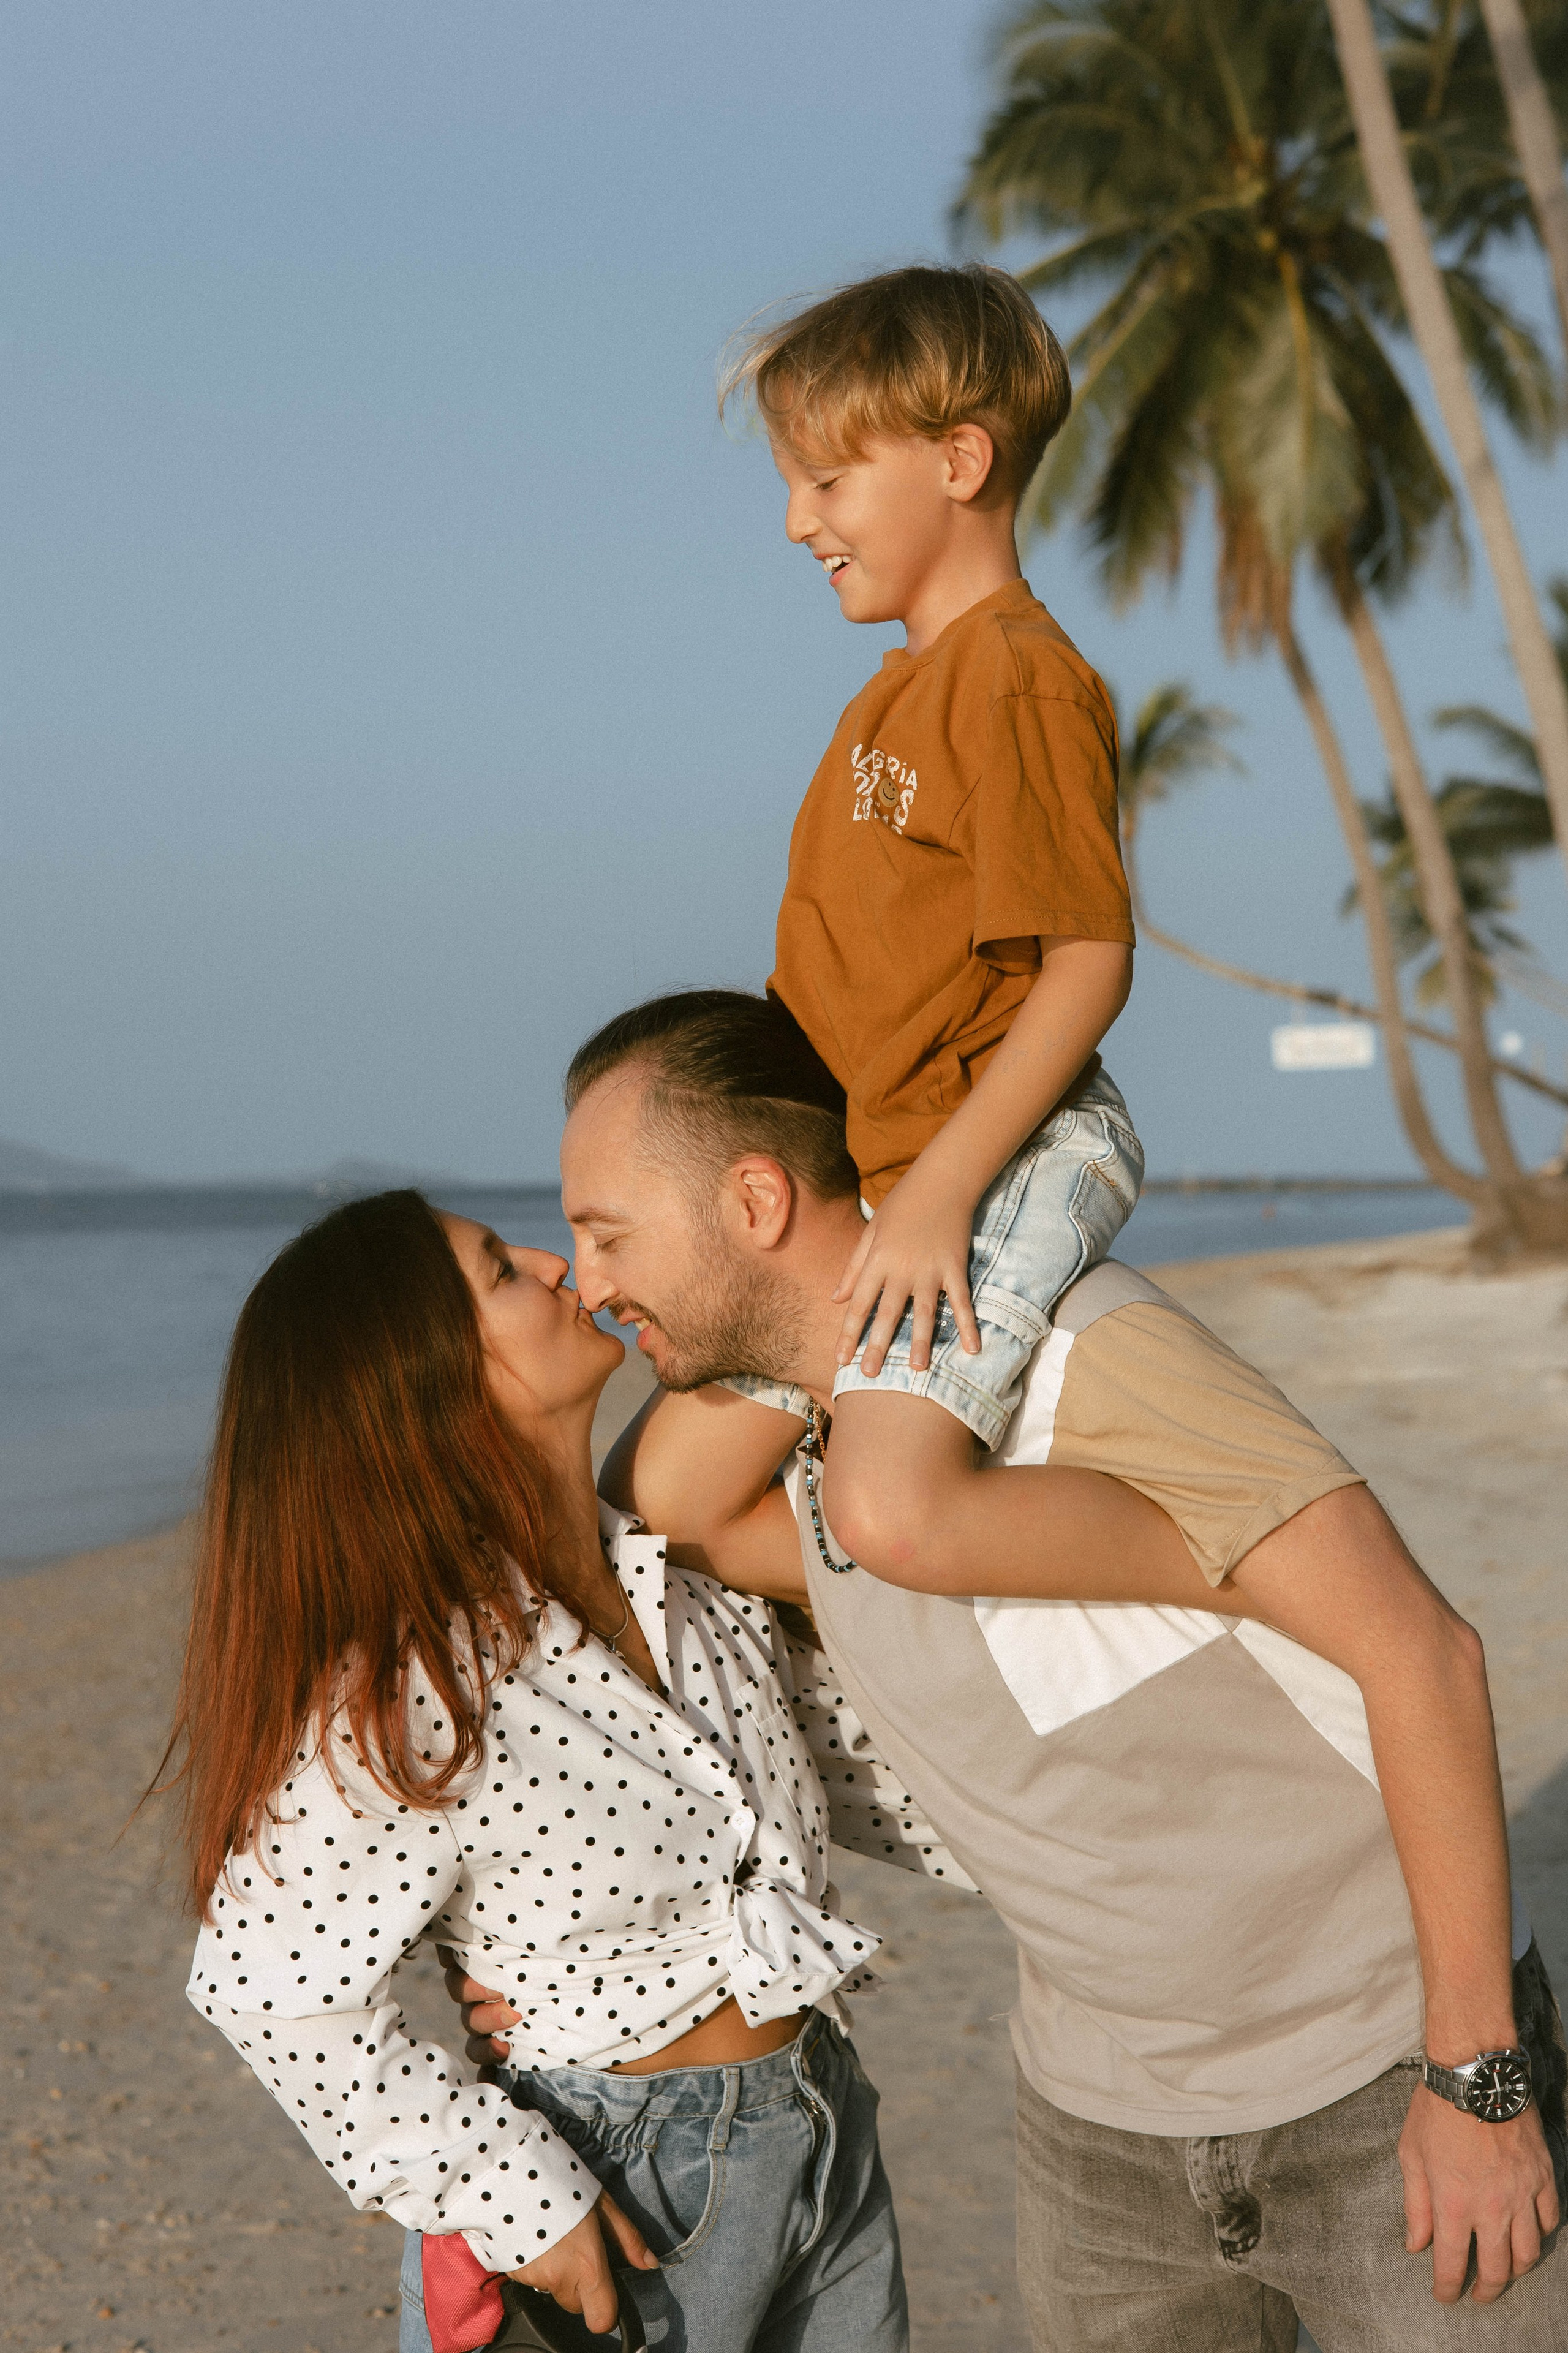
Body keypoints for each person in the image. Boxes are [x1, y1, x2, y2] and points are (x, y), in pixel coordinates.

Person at [446, 989, 1564, 2351]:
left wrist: (1478, 2080)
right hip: (1102, 2142)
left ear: (753, 1200)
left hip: (1384, 2088)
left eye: (607, 1232)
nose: (591, 1277)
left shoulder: (1087, 1352)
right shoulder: (833, 1483)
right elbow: (660, 1505)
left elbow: (1424, 1653)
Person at [157, 1188, 960, 2353]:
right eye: (498, 1269)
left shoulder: (684, 1577)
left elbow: (868, 1777)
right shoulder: (415, 1682)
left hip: (823, 2126)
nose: (548, 1260)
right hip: (611, 2178)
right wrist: (506, 2189)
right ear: (428, 1381)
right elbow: (269, 1989)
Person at [715, 261, 1146, 1592]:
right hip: (887, 1161)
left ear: (958, 460)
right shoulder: (889, 702)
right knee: (672, 1488)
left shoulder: (1014, 678)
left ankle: (1258, 1561)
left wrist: (943, 1191)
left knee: (887, 1502)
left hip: (1002, 1146)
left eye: (826, 482)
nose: (795, 521)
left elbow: (1086, 955)